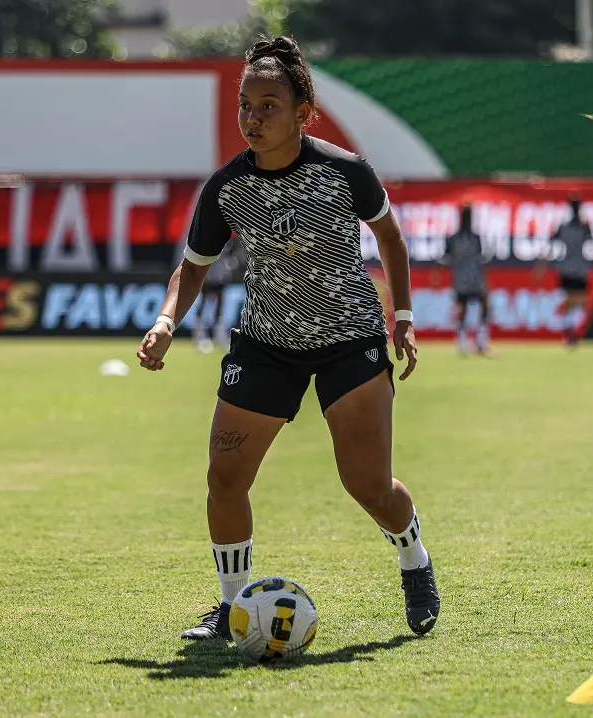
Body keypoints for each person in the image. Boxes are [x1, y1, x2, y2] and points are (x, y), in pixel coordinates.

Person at [136, 36, 440, 641]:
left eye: (268, 106)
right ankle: (231, 608)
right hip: (265, 345)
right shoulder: (227, 187)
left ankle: (414, 558)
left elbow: (390, 238)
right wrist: (166, 321)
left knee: (368, 487)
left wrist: (402, 316)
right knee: (225, 478)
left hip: (350, 340)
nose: (253, 118)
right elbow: (192, 267)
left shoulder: (345, 171)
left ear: (304, 113)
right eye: (245, 106)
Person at [548, 196, 593, 346]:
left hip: (569, 267)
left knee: (577, 302)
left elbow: (551, 246)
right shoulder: (579, 227)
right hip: (577, 268)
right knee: (579, 300)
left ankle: (569, 330)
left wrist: (543, 264)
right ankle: (569, 331)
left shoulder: (571, 227)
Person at [442, 203, 490, 356]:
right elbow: (448, 257)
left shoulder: (469, 238)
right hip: (467, 277)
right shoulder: (460, 238)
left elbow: (447, 258)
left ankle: (476, 342)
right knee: (469, 308)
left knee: (478, 306)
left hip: (469, 277)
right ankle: (469, 343)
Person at [193, 242, 245, 353]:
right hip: (206, 271)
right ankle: (200, 335)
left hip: (220, 272)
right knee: (203, 303)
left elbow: (229, 253)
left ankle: (219, 335)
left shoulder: (228, 241)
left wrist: (229, 264)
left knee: (220, 305)